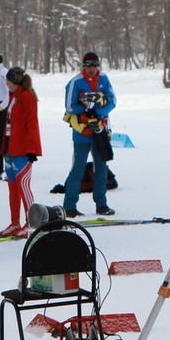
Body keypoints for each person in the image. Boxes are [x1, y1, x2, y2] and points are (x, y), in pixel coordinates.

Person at [62, 52, 117, 217]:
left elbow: (112, 101)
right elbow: (70, 107)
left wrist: (98, 114)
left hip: (100, 130)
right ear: (83, 67)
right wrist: (87, 111)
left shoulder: (104, 79)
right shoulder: (75, 82)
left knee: (101, 168)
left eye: (95, 66)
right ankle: (69, 206)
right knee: (78, 168)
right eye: (88, 66)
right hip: (82, 132)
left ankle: (101, 204)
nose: (92, 69)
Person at [0, 67, 42, 237]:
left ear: (15, 81)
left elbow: (32, 123)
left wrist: (32, 149)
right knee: (13, 187)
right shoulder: (14, 96)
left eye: (8, 80)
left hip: (22, 149)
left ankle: (31, 223)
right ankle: (15, 223)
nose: (6, 83)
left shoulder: (27, 97)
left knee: (24, 186)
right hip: (11, 148)